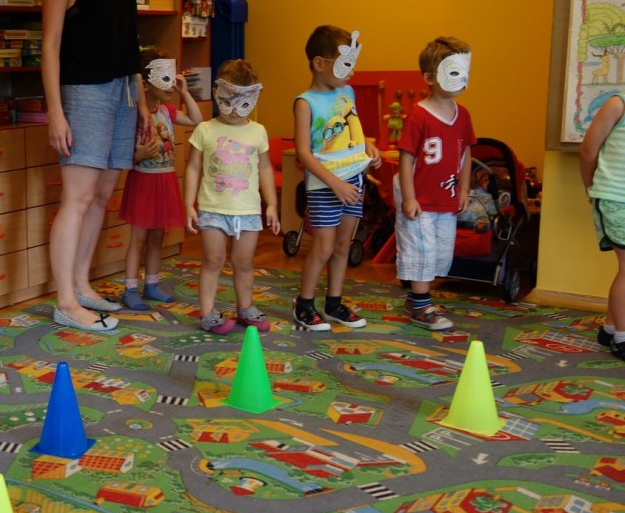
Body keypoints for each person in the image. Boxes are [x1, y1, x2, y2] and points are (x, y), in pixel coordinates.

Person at [41, 0, 149, 333]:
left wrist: (142, 102)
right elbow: (50, 46)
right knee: (79, 197)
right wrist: (56, 112)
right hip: (84, 93)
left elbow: (129, 42)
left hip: (123, 91)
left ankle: (82, 285)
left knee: (102, 195)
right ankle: (65, 301)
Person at [292, 26, 381, 331]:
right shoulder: (305, 103)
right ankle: (304, 306)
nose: (351, 73)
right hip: (325, 186)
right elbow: (303, 153)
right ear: (319, 63)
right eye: (345, 65)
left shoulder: (347, 92)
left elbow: (352, 126)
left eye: (353, 65)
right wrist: (335, 184)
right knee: (324, 247)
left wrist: (367, 145)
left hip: (353, 180)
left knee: (343, 245)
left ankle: (334, 303)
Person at [184, 60, 281, 332]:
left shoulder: (258, 131)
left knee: (244, 262)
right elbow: (192, 168)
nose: (236, 110)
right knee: (212, 260)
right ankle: (207, 312)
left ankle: (245, 308)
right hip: (213, 209)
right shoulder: (205, 130)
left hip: (247, 211)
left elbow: (264, 169)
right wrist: (188, 204)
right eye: (229, 100)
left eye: (244, 103)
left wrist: (272, 204)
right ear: (217, 93)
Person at [395, 37, 476, 330]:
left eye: (465, 71)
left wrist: (464, 189)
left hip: (447, 199)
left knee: (441, 252)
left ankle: (416, 299)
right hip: (420, 200)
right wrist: (409, 197)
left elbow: (466, 154)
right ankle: (421, 306)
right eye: (453, 71)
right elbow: (406, 158)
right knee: (422, 251)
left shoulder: (463, 115)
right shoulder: (419, 115)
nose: (461, 78)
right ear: (430, 78)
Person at [118, 48, 202, 311]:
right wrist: (140, 154)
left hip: (165, 182)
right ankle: (130, 288)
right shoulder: (134, 115)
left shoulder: (167, 111)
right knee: (139, 239)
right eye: (163, 78)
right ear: (145, 84)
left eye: (171, 77)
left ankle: (151, 284)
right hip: (143, 183)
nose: (170, 85)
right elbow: (123, 153)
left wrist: (184, 92)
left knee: (158, 237)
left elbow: (196, 119)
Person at [579, 91, 625, 361]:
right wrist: (590, 187)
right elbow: (588, 151)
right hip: (615, 198)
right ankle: (622, 337)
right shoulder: (617, 104)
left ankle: (610, 329)